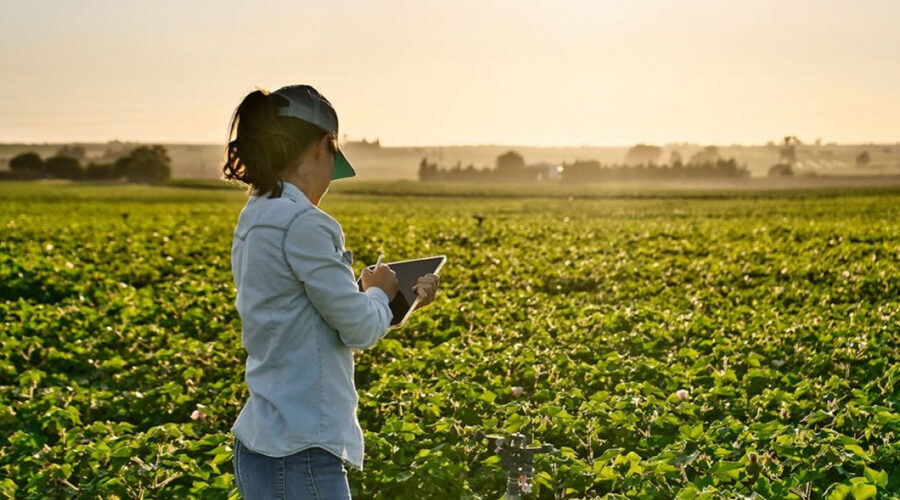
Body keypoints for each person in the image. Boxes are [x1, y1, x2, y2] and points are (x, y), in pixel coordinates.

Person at [222, 84, 440, 499]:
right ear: (324, 146)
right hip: (301, 447)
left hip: (261, 440)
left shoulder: (255, 216)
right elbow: (358, 329)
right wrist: (377, 292)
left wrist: (387, 297)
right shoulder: (307, 223)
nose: (329, 182)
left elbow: (303, 314)